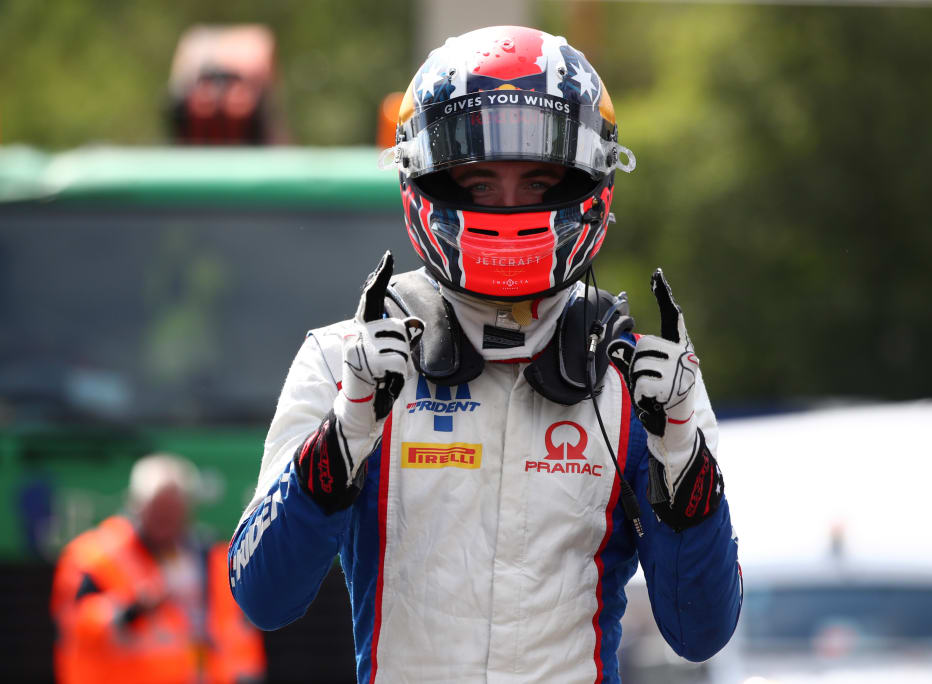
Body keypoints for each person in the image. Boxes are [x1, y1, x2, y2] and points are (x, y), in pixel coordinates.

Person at [229, 25, 742, 683]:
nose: (507, 206)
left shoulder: (643, 380)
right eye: (476, 182)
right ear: (422, 176)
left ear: (592, 179)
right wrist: (345, 434)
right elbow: (262, 599)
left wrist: (681, 460)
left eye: (536, 181)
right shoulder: (344, 361)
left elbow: (700, 633)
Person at [51, 453, 265, 684]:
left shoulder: (214, 557)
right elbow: (75, 624)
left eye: (173, 511)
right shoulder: (93, 556)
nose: (166, 521)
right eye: (158, 510)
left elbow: (238, 633)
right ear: (135, 505)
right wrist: (131, 611)